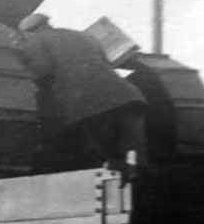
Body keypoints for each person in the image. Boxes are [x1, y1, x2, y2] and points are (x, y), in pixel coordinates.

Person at [18, 14, 147, 172]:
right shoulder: (83, 36)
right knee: (135, 155)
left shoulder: (36, 41)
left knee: (105, 160)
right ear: (47, 23)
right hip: (126, 96)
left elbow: (42, 70)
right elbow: (106, 62)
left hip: (89, 105)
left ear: (29, 32)